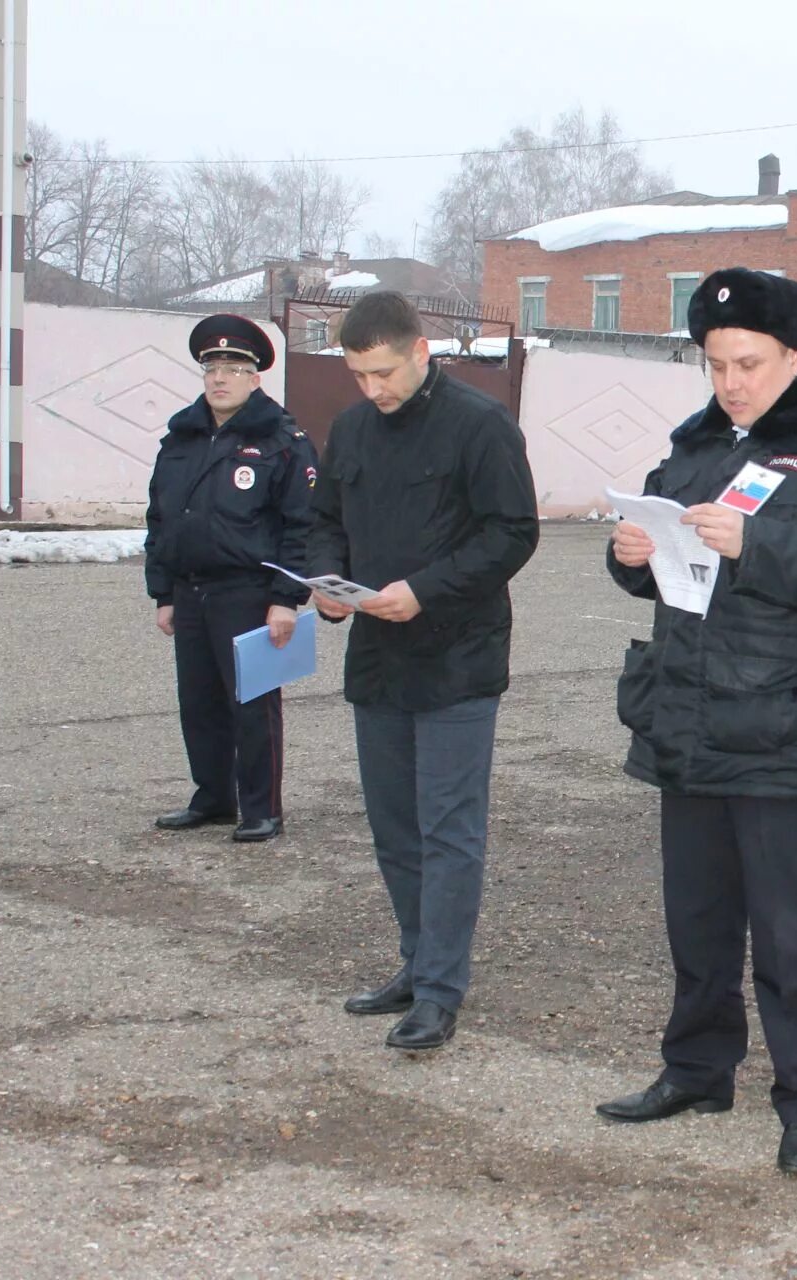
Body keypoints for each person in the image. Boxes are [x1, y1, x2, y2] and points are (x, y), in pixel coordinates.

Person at [598, 268, 797, 1175]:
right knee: (696, 921)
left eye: (749, 363)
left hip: (783, 727)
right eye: (716, 363)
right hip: (688, 719)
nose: (731, 381)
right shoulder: (695, 446)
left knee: (792, 930)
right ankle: (697, 1068)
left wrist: (761, 544)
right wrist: (632, 553)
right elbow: (663, 567)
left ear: (796, 357)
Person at [307, 293, 539, 1052]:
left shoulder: (479, 425)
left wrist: (426, 590)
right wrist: (328, 583)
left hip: (457, 657)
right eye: (357, 375)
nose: (372, 390)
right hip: (376, 655)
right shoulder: (350, 429)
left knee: (448, 831)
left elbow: (513, 533)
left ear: (420, 351)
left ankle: (440, 991)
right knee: (395, 829)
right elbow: (325, 524)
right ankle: (415, 963)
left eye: (382, 373)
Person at [146, 315, 318, 844]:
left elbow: (302, 525)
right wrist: (163, 592)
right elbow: (161, 518)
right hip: (192, 589)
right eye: (212, 367)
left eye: (234, 368)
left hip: (250, 592)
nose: (221, 378)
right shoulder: (182, 436)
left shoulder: (282, 440)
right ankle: (213, 796)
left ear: (255, 378)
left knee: (253, 705)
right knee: (198, 702)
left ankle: (262, 808)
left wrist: (287, 599)